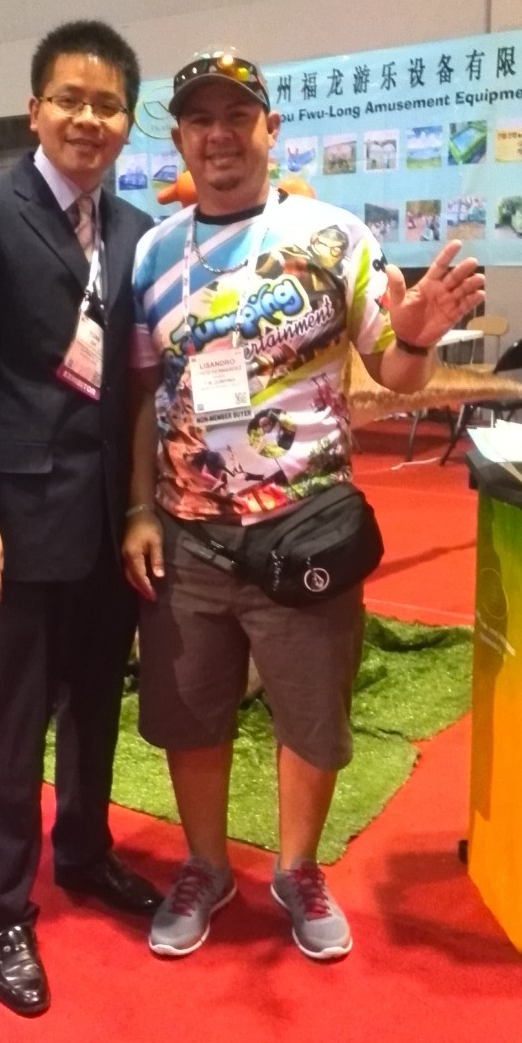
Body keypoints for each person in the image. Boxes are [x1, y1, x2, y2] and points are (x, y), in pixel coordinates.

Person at [123, 48, 484, 964]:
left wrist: (414, 340)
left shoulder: (332, 235)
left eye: (236, 117)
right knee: (189, 715)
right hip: (190, 536)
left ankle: (297, 870)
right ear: (180, 140)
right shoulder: (154, 255)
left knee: (312, 718)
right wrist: (138, 510)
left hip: (307, 528)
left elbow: (396, 370)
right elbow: (140, 396)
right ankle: (205, 867)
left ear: (271, 129)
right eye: (200, 120)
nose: (219, 135)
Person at [0, 20, 160, 1018]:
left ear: (128, 121)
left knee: (95, 704)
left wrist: (138, 507)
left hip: (105, 526)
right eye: (70, 99)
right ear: (34, 110)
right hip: (11, 527)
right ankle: (5, 907)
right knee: (8, 725)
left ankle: (86, 852)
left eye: (107, 105)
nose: (87, 119)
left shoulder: (136, 231)